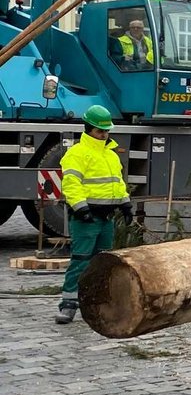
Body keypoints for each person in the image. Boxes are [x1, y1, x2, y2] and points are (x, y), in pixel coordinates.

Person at [55, 105, 132, 324]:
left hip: (106, 218)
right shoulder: (77, 154)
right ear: (89, 129)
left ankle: (98, 302)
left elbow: (117, 183)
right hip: (86, 218)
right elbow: (71, 184)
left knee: (103, 262)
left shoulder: (110, 154)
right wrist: (81, 209)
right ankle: (68, 304)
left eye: (107, 131)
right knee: (80, 260)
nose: (105, 134)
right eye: (100, 131)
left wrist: (125, 205)